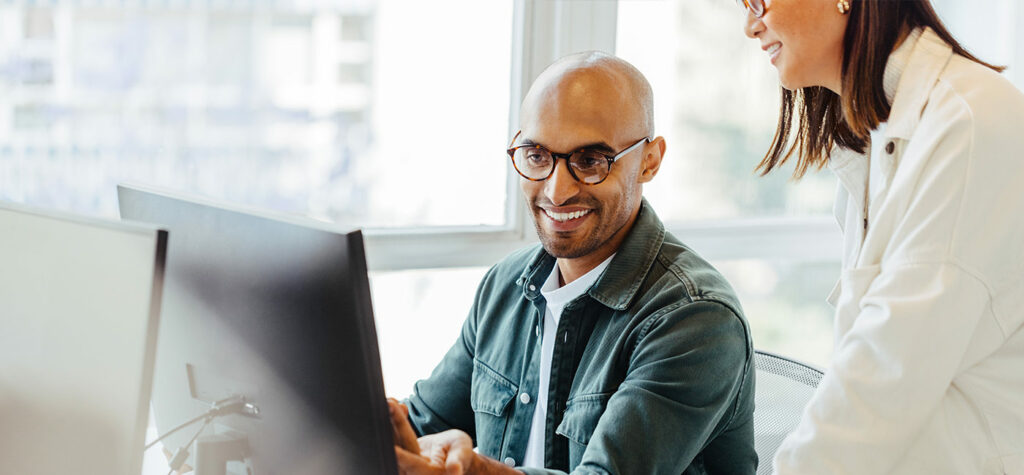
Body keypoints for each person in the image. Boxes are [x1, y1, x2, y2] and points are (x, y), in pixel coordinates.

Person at [386, 52, 758, 474]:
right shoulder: (505, 285)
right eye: (537, 155)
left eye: (590, 161)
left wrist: (472, 470)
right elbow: (421, 425)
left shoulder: (695, 318)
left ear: (650, 160)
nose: (557, 191)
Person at [737, 0, 1024, 473]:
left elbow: (884, 375)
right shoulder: (873, 137)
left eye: (757, 1)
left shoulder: (968, 121)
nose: (751, 26)